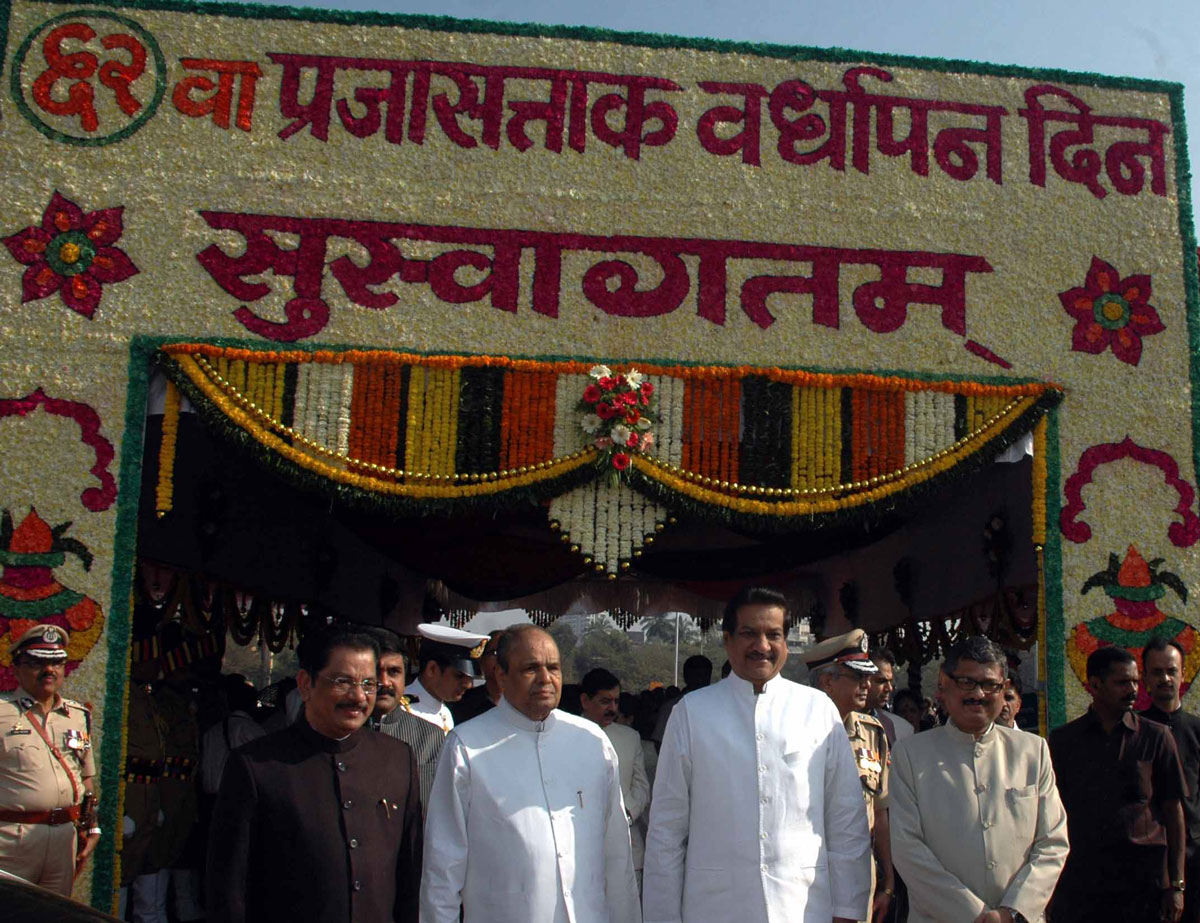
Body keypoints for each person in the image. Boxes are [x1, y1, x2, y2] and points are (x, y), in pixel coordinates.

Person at [644, 587, 872, 923]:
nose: (762, 646)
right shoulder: (692, 713)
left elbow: (846, 819)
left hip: (804, 905)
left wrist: (849, 909)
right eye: (749, 633)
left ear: (785, 641)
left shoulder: (817, 710)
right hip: (715, 907)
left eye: (773, 635)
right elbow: (666, 828)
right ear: (728, 639)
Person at [421, 625, 640, 923]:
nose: (545, 679)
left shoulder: (591, 741)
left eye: (553, 668)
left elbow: (617, 854)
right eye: (531, 668)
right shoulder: (467, 746)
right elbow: (443, 864)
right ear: (501, 675)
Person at [206, 626, 422, 923]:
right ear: (306, 684)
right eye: (343, 682)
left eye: (368, 684)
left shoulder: (397, 759)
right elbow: (228, 888)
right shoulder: (256, 765)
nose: (358, 697)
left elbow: (409, 874)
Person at [889, 636, 1068, 923]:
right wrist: (975, 915)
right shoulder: (910, 755)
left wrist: (1012, 911)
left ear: (1004, 689)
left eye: (989, 685)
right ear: (943, 684)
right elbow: (907, 848)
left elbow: (1053, 841)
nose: (978, 694)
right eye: (966, 683)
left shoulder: (1032, 751)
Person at [1049, 646, 1186, 923]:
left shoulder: (1156, 738)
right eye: (1123, 682)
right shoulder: (1064, 741)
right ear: (1095, 685)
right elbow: (1049, 815)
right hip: (1083, 885)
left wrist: (1177, 885)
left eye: (1136, 681)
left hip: (1144, 887)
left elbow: (1174, 813)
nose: (1133, 689)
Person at [0, 625, 99, 896]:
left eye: (56, 662)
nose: (49, 670)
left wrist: (93, 824)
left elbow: (86, 777)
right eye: (37, 663)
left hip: (63, 839)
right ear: (17, 669)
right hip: (11, 839)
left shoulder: (78, 715)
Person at [806, 630, 894, 923]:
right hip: (807, 868)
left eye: (867, 678)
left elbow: (880, 814)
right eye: (857, 677)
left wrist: (888, 884)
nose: (867, 685)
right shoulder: (794, 732)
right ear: (827, 680)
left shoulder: (872, 733)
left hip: (859, 869)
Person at [1141, 637, 1200, 923]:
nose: (1165, 678)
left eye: (1171, 671)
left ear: (1183, 674)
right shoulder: (1134, 731)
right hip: (1149, 858)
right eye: (1157, 672)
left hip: (1195, 856)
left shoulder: (1196, 729)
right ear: (1145, 678)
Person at [580, 668, 651, 889]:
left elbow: (641, 787)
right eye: (604, 702)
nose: (612, 708)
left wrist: (625, 814)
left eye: (615, 702)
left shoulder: (630, 737)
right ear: (585, 701)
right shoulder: (564, 735)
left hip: (628, 845)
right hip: (580, 845)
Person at [369, 629, 445, 815]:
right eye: (375, 671)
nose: (384, 682)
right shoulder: (341, 732)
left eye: (394, 672)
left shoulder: (430, 736)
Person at [406, 624, 489, 732]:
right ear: (432, 670)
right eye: (459, 675)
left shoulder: (445, 713)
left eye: (471, 678)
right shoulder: (401, 709)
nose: (468, 685)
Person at [651, 654, 711, 750]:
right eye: (697, 676)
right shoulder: (671, 709)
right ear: (686, 677)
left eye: (703, 676)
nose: (700, 681)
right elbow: (659, 743)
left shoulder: (670, 707)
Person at [449, 629, 503, 725]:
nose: (502, 660)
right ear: (481, 660)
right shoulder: (462, 703)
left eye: (507, 654)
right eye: (495, 653)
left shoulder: (526, 702)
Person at [866, 650, 914, 745]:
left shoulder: (890, 724)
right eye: (881, 681)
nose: (889, 688)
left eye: (890, 681)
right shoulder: (841, 720)